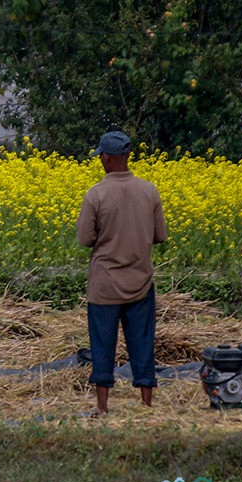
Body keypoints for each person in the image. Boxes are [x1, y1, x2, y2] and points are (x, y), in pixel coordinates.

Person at [75, 131, 168, 415]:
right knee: (142, 342)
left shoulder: (96, 194)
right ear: (127, 156)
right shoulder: (149, 190)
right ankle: (146, 404)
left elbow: (85, 238)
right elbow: (160, 235)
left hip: (105, 285)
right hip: (140, 281)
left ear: (105, 158)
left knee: (102, 345)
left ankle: (103, 408)